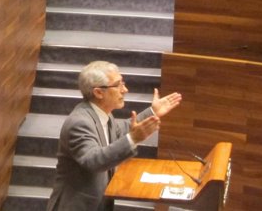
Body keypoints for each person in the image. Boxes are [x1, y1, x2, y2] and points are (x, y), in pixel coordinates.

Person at [47, 61, 182, 211]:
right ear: (98, 92)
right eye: (118, 85)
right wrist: (133, 138)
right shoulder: (79, 123)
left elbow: (122, 129)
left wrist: (152, 112)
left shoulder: (104, 115)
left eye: (123, 83)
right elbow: (94, 160)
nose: (125, 89)